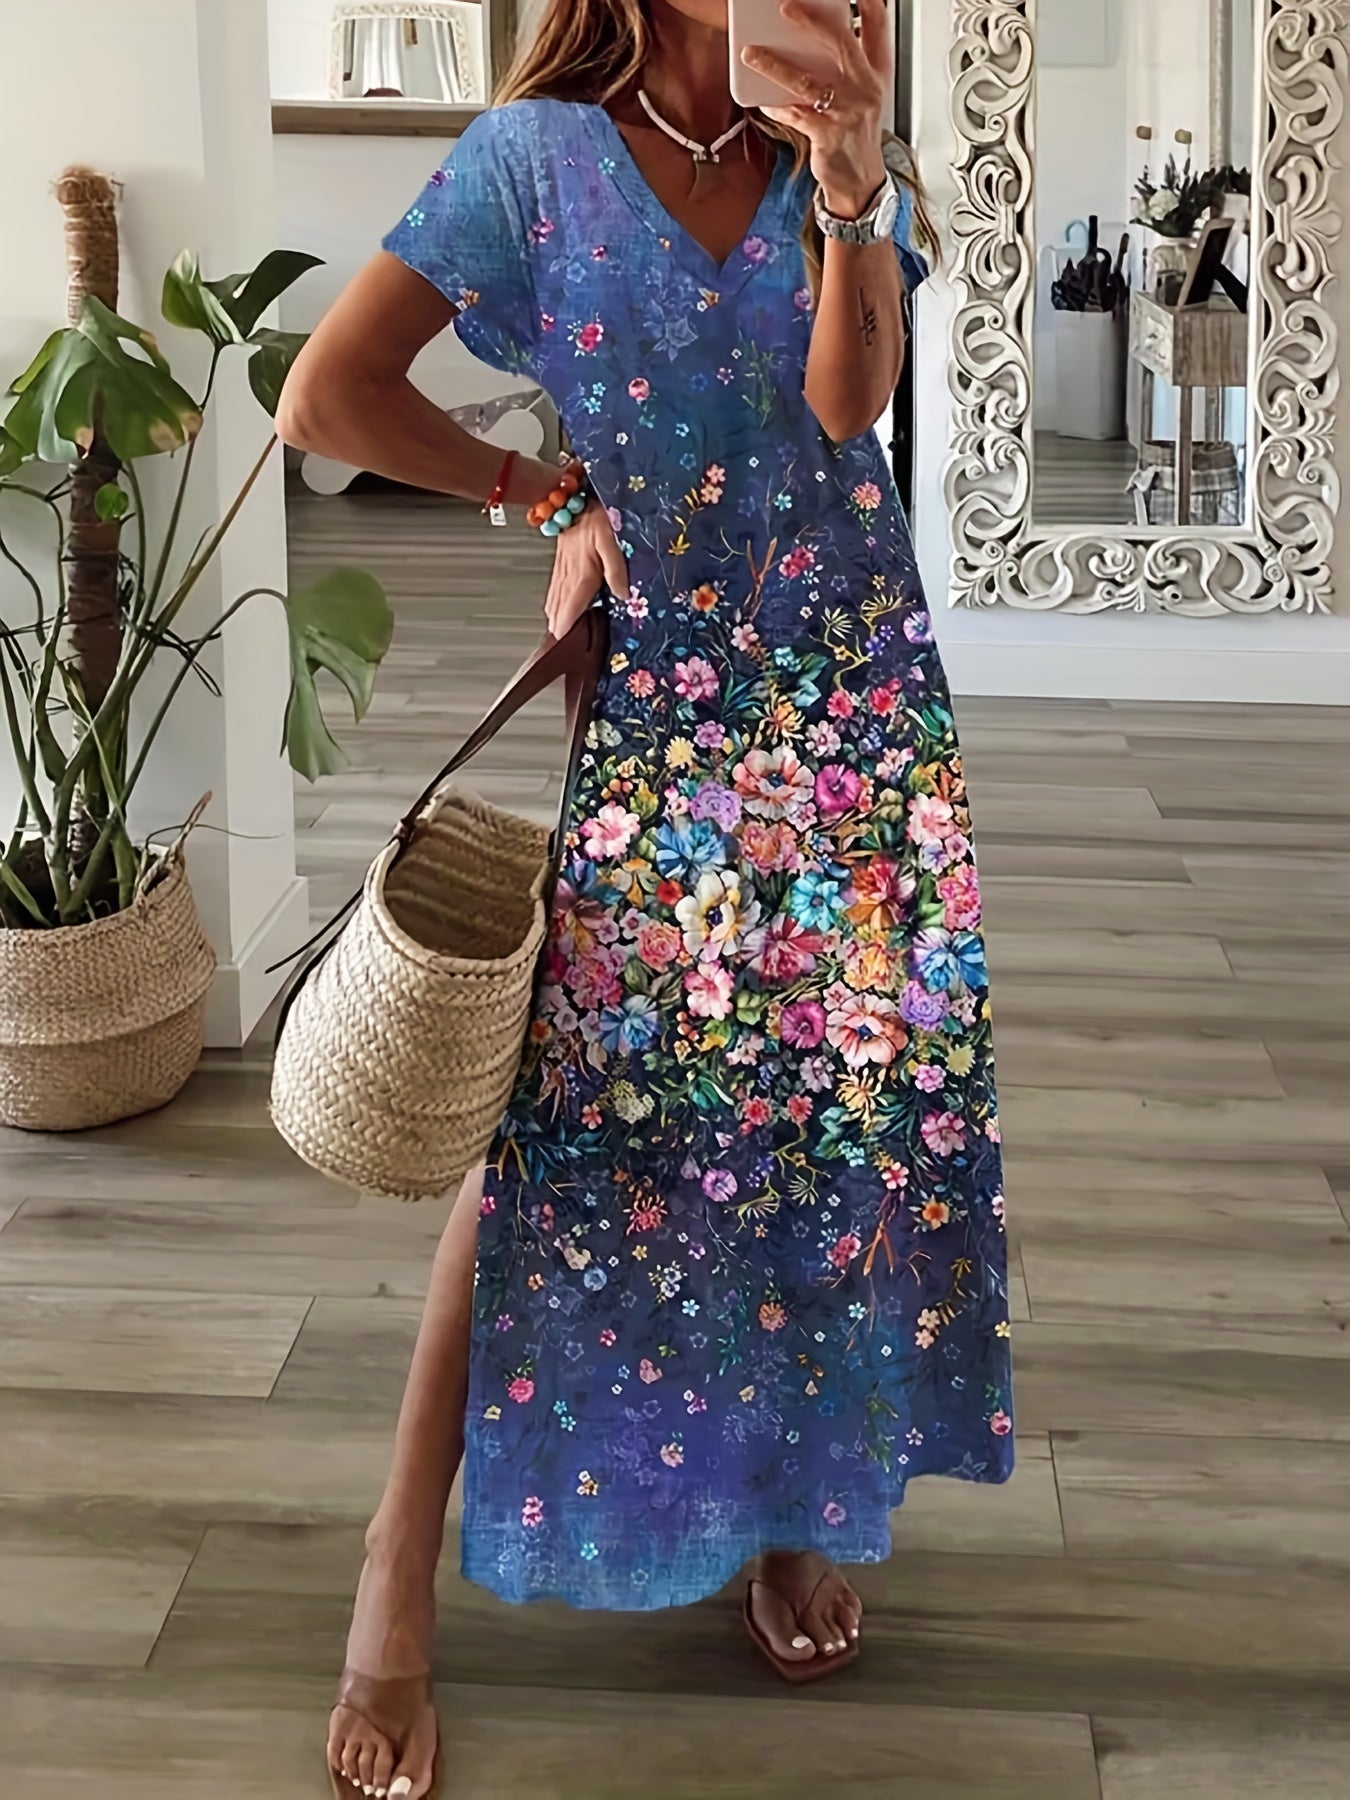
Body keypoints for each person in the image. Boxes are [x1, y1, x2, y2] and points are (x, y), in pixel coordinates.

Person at [278, 0, 1014, 1792]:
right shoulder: (533, 162)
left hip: (853, 709)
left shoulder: (838, 145)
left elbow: (847, 406)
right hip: (668, 709)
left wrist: (850, 184)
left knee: (829, 1110)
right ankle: (394, 1566)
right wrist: (544, 497)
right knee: (564, 1128)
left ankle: (791, 1508)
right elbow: (328, 395)